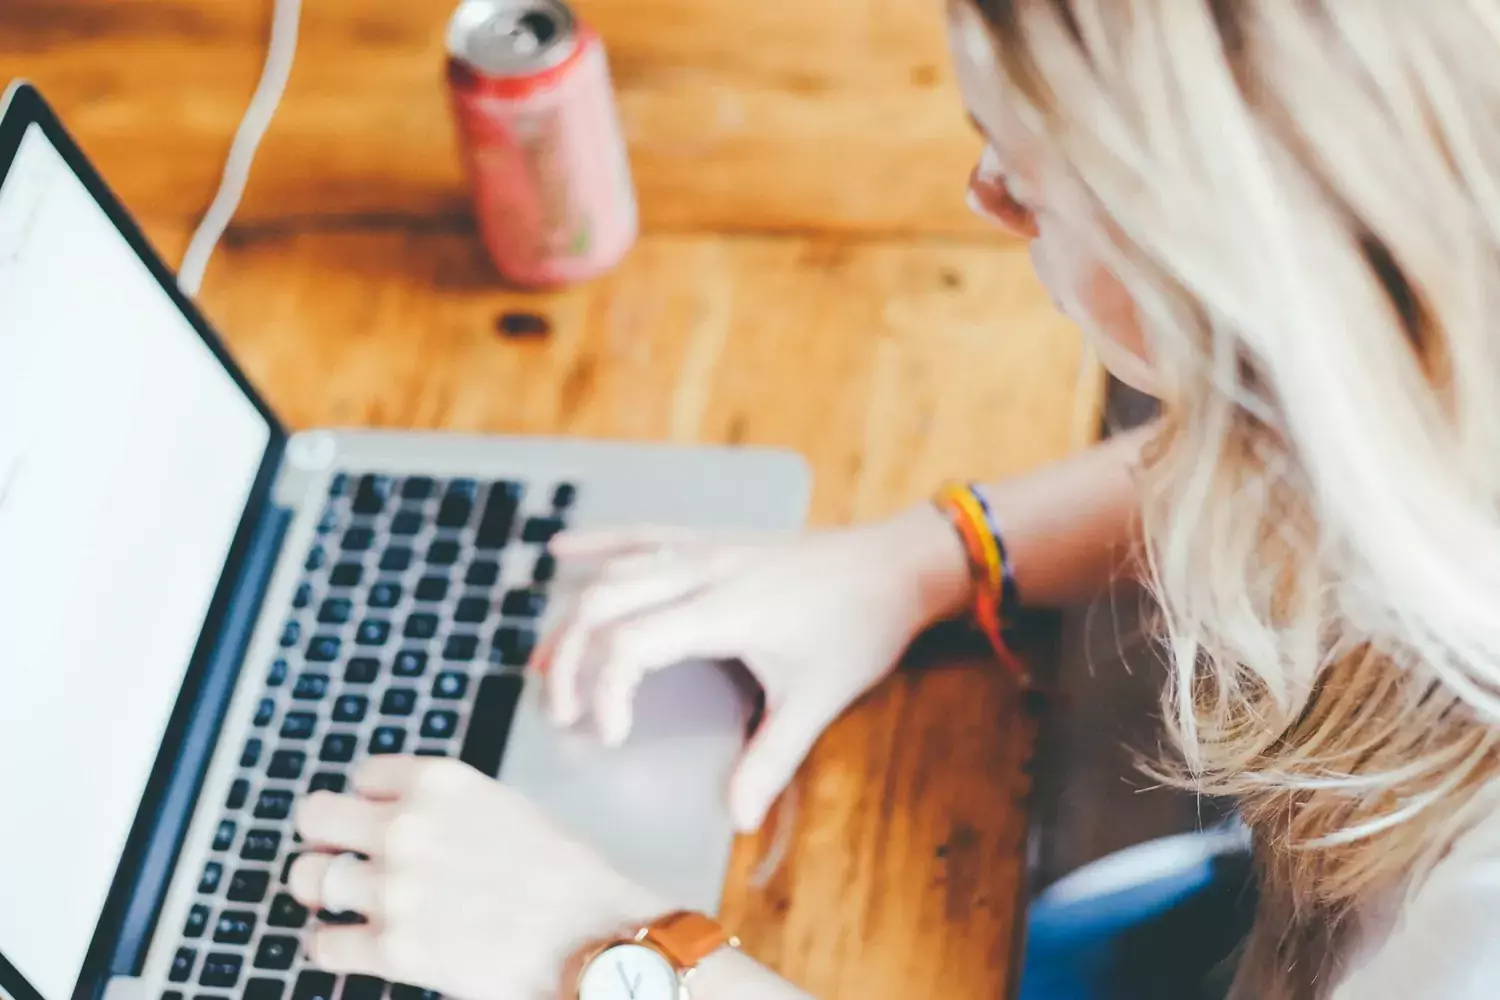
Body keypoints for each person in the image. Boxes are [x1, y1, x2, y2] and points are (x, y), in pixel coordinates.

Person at [286, 1, 1500, 997]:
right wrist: (934, 556)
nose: (984, 199)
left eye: (1025, 181)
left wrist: (601, 954)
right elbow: (1304, 443)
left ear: (1220, 277)